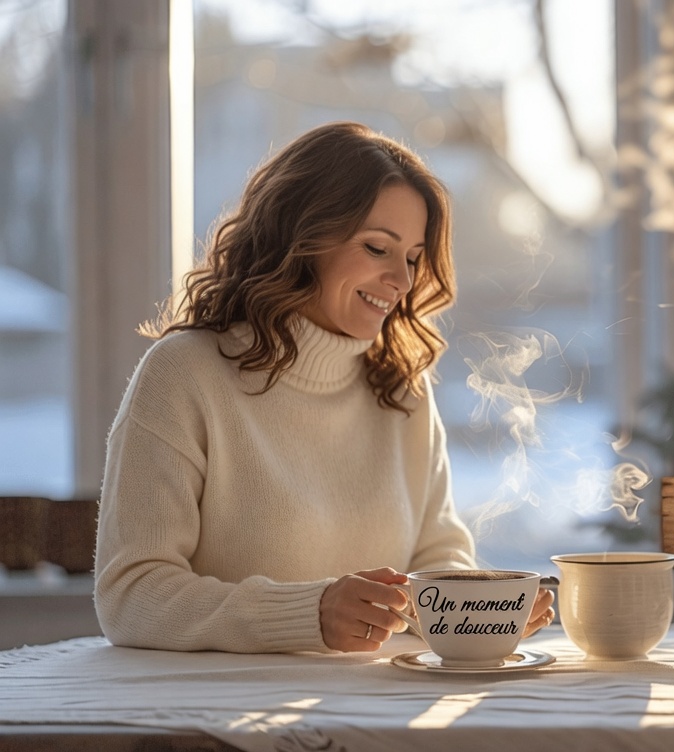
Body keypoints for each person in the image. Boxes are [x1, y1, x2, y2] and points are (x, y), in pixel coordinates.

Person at [94, 121, 555, 653]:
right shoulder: (184, 375)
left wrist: (476, 613)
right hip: (223, 719)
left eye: (411, 257)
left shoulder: (401, 390)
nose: (403, 282)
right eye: (378, 248)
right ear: (304, 237)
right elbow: (130, 595)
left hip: (376, 717)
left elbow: (437, 558)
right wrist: (307, 613)